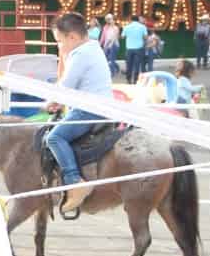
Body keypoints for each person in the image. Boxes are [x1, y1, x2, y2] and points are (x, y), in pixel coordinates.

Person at [44, 12, 113, 214]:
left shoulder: (80, 55)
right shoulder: (92, 48)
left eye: (59, 41)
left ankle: (74, 181)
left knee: (54, 138)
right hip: (100, 106)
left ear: (72, 37)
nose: (60, 46)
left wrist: (49, 103)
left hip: (88, 110)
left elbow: (64, 86)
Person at [120, 14, 147, 84]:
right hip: (139, 48)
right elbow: (145, 37)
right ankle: (135, 79)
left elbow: (122, 37)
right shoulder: (143, 27)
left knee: (129, 65)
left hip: (129, 48)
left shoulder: (126, 27)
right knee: (137, 65)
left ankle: (128, 79)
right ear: (138, 20)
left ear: (131, 20)